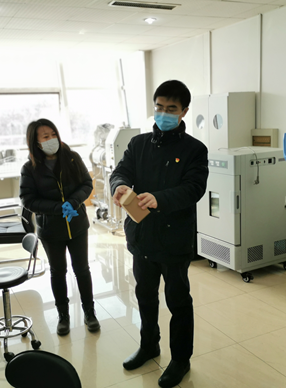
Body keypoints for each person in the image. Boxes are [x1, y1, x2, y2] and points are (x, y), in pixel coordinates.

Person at [110, 80, 208, 388]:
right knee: (144, 295)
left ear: (184, 111)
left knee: (178, 301)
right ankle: (149, 345)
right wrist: (119, 185)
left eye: (171, 109)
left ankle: (180, 359)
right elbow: (121, 171)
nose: (164, 114)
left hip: (174, 239)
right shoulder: (139, 144)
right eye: (159, 107)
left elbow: (194, 188)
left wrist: (159, 199)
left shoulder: (194, 149)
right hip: (141, 235)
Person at [19, 118, 99, 336]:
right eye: (45, 136)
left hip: (77, 224)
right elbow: (27, 200)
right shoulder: (29, 168)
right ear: (36, 142)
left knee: (82, 269)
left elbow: (87, 184)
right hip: (50, 229)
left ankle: (89, 312)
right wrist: (57, 208)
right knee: (58, 271)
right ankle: (63, 315)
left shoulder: (72, 158)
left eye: (53, 134)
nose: (51, 139)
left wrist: (73, 203)